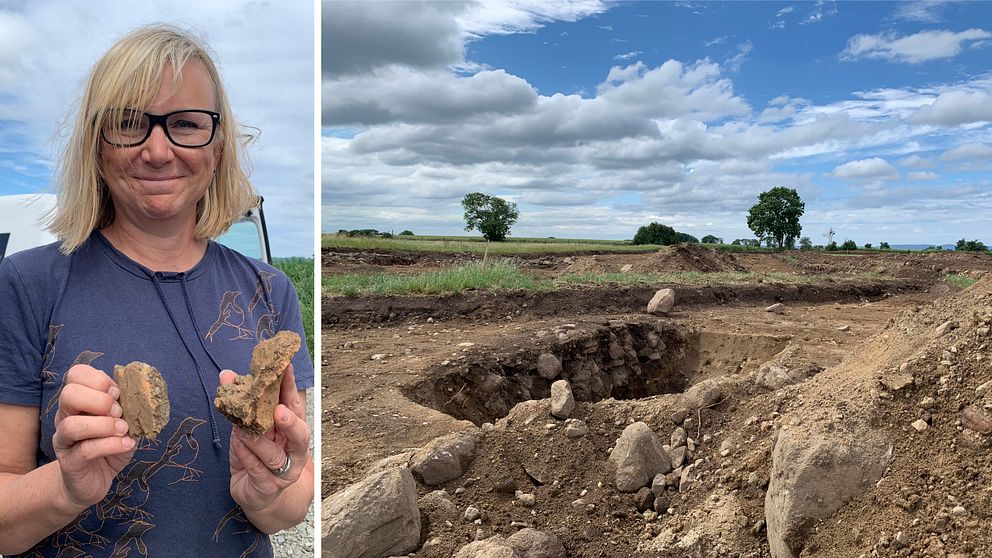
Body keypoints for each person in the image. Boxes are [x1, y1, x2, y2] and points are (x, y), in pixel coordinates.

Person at [0, 25, 314, 556]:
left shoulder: (269, 289)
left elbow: (292, 503)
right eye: (128, 124)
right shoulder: (26, 284)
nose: (157, 150)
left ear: (217, 146)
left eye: (186, 124)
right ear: (97, 145)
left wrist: (270, 487)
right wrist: (67, 484)